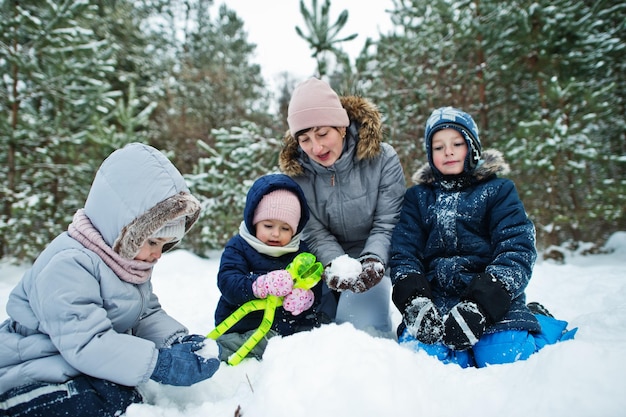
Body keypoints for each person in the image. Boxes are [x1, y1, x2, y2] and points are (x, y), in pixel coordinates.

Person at [0, 143, 220, 417]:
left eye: (165, 244)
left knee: (121, 394)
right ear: (121, 225)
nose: (157, 254)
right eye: (152, 241)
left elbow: (144, 314)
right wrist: (158, 364)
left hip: (76, 364)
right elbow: (87, 343)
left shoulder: (126, 260)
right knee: (106, 400)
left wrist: (175, 342)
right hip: (32, 365)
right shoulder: (69, 265)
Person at [389, 107, 576, 368]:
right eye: (438, 147)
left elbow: (516, 248)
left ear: (473, 147)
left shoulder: (498, 191)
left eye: (457, 143)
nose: (449, 152)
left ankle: (540, 323)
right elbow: (403, 253)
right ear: (430, 155)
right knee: (427, 360)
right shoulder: (418, 198)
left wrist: (480, 305)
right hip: (435, 301)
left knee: (503, 353)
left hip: (490, 299)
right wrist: (414, 301)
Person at [279, 77, 406, 333]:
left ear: (342, 127)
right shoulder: (297, 175)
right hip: (324, 264)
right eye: (304, 139)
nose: (316, 147)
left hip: (376, 257)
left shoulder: (383, 159)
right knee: (313, 333)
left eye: (323, 133)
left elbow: (387, 222)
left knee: (361, 331)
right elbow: (313, 230)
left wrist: (373, 260)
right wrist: (335, 263)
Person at [214, 173, 321, 361]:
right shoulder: (239, 246)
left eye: (285, 228)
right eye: (268, 225)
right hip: (240, 324)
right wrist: (258, 285)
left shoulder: (300, 252)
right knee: (230, 346)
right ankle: (220, 351)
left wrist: (306, 298)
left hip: (283, 327)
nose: (276, 234)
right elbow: (227, 281)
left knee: (310, 338)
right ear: (254, 222)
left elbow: (314, 283)